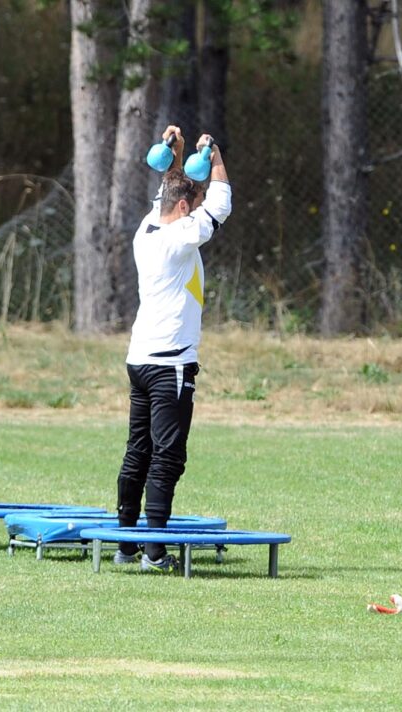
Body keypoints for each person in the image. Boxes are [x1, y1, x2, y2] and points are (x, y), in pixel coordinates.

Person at [114, 125, 232, 573]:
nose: (194, 214)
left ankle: (125, 541)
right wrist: (215, 155)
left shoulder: (147, 229)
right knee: (168, 455)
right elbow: (221, 202)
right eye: (191, 208)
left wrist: (177, 156)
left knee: (137, 449)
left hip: (139, 360)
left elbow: (172, 192)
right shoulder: (181, 237)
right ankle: (154, 551)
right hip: (170, 367)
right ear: (184, 210)